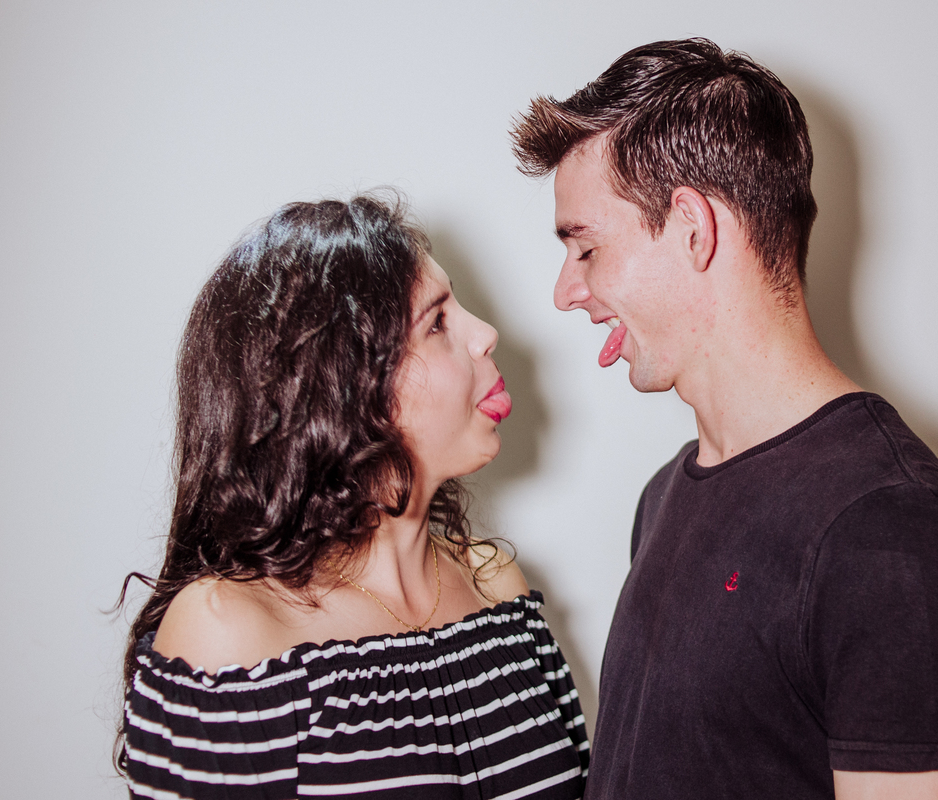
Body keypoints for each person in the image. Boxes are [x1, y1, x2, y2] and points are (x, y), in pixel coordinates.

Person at [511, 39, 938, 800]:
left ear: (693, 228)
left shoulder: (884, 526)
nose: (567, 291)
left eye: (587, 248)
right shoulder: (666, 493)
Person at [117, 196, 589, 799]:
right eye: (437, 323)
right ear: (341, 386)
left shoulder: (498, 587)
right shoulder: (229, 634)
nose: (485, 335)